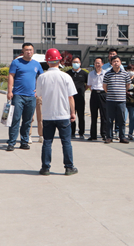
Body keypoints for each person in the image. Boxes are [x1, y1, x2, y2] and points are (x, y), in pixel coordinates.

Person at [36, 48, 78, 176]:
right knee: (66, 142)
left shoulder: (42, 77)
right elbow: (71, 97)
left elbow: (39, 94)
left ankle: (45, 168)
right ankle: (69, 167)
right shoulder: (66, 76)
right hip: (63, 114)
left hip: (48, 115)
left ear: (47, 62)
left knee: (47, 142)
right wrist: (72, 113)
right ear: (59, 61)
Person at [6, 43, 43, 152]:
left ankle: (24, 142)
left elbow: (42, 77)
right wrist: (9, 91)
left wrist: (39, 90)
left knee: (27, 121)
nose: (29, 52)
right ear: (23, 51)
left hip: (31, 96)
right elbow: (11, 76)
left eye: (30, 50)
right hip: (18, 95)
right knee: (15, 119)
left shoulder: (36, 64)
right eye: (26, 50)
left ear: (33, 51)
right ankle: (11, 142)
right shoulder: (16, 62)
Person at [103, 55, 131, 144]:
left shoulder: (125, 74)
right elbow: (105, 86)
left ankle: (122, 137)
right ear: (111, 63)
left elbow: (128, 86)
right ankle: (109, 137)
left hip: (121, 101)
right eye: (114, 61)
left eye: (117, 61)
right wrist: (111, 93)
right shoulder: (107, 74)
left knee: (122, 120)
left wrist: (121, 92)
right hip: (110, 101)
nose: (116, 63)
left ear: (120, 62)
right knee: (109, 120)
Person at [66, 57, 89, 139]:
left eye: (77, 62)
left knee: (81, 116)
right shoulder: (68, 73)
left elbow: (88, 84)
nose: (76, 64)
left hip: (80, 98)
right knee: (71, 115)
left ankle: (81, 132)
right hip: (70, 98)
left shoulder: (84, 73)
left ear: (80, 63)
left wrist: (83, 90)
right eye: (74, 62)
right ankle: (72, 132)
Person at [87, 57, 108, 141]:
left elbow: (107, 85)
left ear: (102, 64)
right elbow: (89, 85)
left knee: (104, 115)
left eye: (99, 63)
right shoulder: (91, 74)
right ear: (94, 64)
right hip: (94, 94)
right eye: (96, 63)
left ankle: (104, 134)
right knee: (93, 115)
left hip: (103, 94)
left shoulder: (106, 73)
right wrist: (95, 92)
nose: (97, 64)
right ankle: (93, 135)